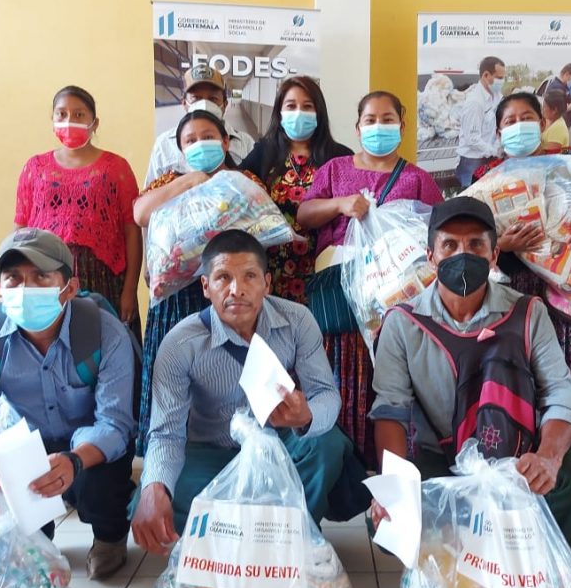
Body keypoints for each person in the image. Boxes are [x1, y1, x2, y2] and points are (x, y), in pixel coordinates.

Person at [369, 198, 571, 548]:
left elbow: (561, 393)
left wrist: (548, 459)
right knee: (387, 520)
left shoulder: (528, 313)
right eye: (449, 245)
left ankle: (539, 559)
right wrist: (393, 487)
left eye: (476, 244)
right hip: (444, 460)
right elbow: (391, 410)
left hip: (519, 459)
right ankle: (453, 565)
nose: (462, 254)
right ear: (431, 256)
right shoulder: (403, 323)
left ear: (494, 255)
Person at [132, 230, 359, 554]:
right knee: (155, 493)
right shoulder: (180, 343)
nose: (236, 289)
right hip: (212, 454)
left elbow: (326, 394)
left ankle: (293, 534)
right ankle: (229, 542)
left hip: (278, 446)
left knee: (327, 444)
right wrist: (155, 487)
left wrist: (306, 415)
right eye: (223, 277)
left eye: (249, 276)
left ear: (267, 283)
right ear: (206, 286)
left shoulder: (297, 321)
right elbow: (166, 433)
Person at [0, 228, 135, 580]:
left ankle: (109, 537)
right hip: (24, 442)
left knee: (104, 483)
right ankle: (33, 535)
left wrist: (73, 461)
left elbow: (114, 424)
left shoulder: (105, 333)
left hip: (85, 447)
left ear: (69, 288)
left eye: (41, 277)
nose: (26, 289)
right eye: (14, 278)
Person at [297, 90, 444, 469]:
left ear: (402, 125)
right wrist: (340, 204)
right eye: (371, 120)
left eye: (387, 119)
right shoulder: (335, 170)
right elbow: (304, 214)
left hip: (393, 299)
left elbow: (438, 232)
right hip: (339, 294)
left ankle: (387, 472)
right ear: (358, 127)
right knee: (339, 375)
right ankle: (344, 471)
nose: (379, 127)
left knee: (391, 378)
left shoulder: (417, 179)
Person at [134, 109, 266, 455]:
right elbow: (140, 213)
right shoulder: (169, 180)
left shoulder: (243, 180)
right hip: (178, 296)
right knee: (175, 371)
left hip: (231, 294)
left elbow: (265, 224)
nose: (200, 145)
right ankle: (167, 450)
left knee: (229, 373)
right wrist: (189, 181)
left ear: (225, 142)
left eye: (208, 137)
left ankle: (236, 445)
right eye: (190, 140)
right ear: (180, 149)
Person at [471, 92, 571, 368]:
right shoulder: (486, 175)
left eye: (526, 118)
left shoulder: (569, 159)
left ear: (542, 123)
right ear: (499, 133)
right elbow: (474, 232)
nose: (518, 126)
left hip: (566, 280)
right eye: (510, 122)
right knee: (518, 358)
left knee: (565, 359)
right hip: (513, 283)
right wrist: (502, 245)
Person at [14, 85, 142, 339]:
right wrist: (19, 281)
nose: (69, 120)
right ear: (52, 119)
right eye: (61, 114)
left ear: (94, 123)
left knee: (104, 345)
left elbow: (132, 231)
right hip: (46, 278)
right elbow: (21, 229)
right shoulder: (35, 168)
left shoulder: (116, 168)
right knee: (51, 345)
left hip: (103, 279)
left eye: (79, 114)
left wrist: (130, 290)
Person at [240, 76, 353, 304]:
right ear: (279, 113)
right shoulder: (264, 152)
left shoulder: (340, 156)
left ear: (319, 113)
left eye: (307, 106)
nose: (299, 112)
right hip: (273, 270)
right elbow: (238, 189)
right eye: (291, 106)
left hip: (326, 269)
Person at [145, 64, 256, 184]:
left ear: (225, 104)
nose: (204, 104)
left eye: (213, 99)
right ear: (184, 103)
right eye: (196, 98)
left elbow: (256, 187)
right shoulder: (164, 145)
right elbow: (151, 190)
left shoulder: (245, 143)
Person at [454, 56, 506, 188]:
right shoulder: (475, 102)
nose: (502, 82)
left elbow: (497, 126)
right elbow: (472, 139)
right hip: (472, 161)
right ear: (486, 75)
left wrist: (498, 146)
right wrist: (494, 151)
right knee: (473, 197)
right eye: (499, 78)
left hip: (487, 157)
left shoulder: (496, 97)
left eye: (503, 78)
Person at [537, 63, 571, 130]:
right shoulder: (556, 87)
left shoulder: (563, 86)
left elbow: (570, 97)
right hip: (558, 125)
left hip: (563, 123)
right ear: (567, 74)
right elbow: (559, 108)